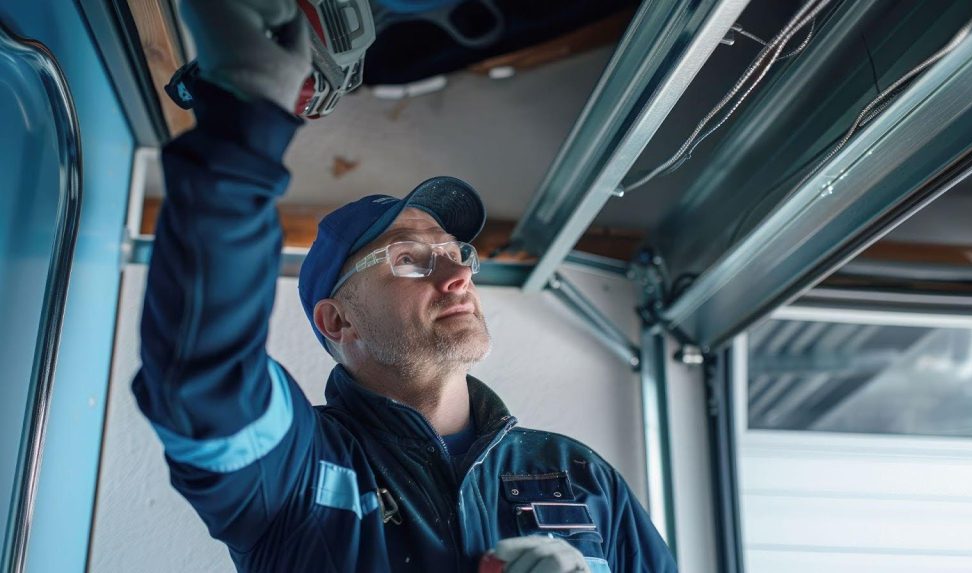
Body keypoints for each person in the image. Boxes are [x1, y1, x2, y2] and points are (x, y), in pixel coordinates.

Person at [132, 1, 678, 571]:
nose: (458, 274)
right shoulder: (298, 469)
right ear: (338, 320)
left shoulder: (578, 474)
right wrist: (245, 114)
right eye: (411, 261)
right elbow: (202, 377)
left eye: (454, 253)